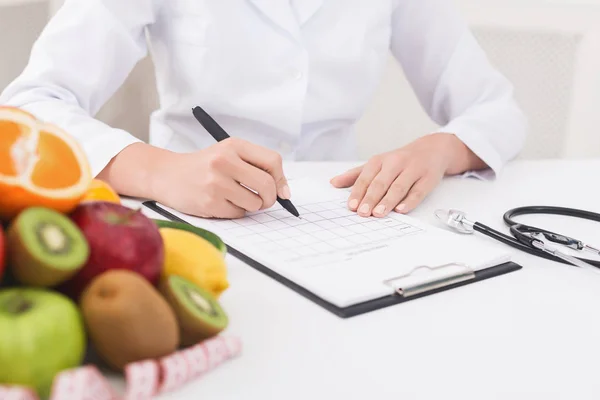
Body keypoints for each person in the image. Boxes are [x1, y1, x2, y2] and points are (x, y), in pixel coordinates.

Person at [0, 0, 527, 219]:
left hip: (341, 217)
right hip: (184, 212)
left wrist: (441, 149)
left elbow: (496, 108)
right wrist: (160, 171)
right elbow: (28, 104)